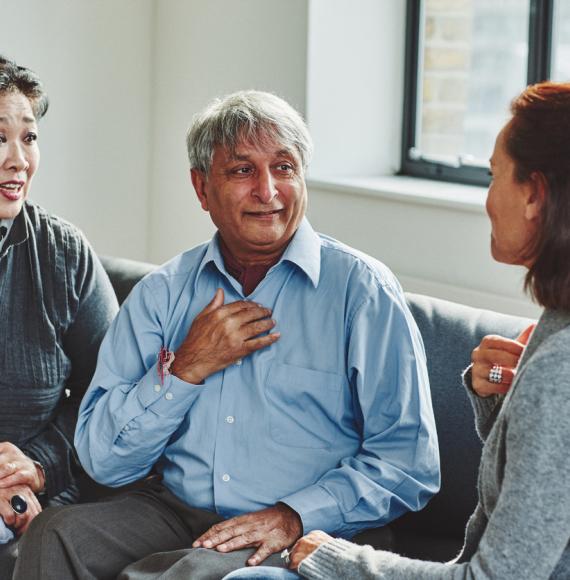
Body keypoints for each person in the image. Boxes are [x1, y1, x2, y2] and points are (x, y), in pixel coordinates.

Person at [14, 90, 439, 580]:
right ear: (201, 188)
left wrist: (295, 515)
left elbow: (409, 463)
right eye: (242, 171)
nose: (268, 190)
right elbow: (104, 461)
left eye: (284, 167)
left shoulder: (361, 291)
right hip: (175, 510)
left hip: (309, 528)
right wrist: (185, 371)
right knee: (56, 534)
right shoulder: (163, 293)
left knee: (183, 575)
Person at [224, 81, 570, 580]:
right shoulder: (556, 326)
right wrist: (499, 403)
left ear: (535, 194)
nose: (488, 200)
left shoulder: (559, 366)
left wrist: (334, 558)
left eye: (494, 176)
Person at [0, 56, 119, 579]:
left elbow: (114, 392)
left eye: (29, 138)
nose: (17, 160)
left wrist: (37, 467)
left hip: (40, 494)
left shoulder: (63, 253)